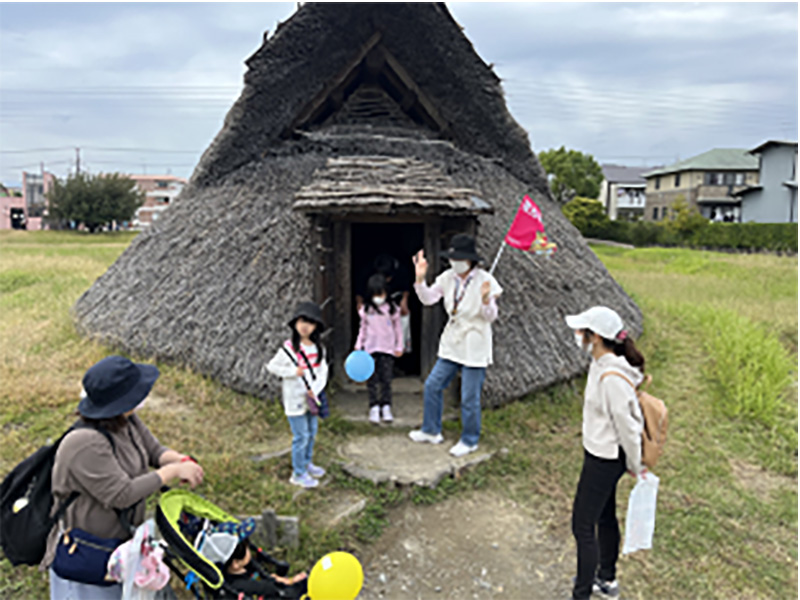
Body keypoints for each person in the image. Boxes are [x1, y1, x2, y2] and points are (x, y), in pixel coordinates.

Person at [43, 355, 205, 600]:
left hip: (121, 548)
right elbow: (121, 494)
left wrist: (179, 460)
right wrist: (170, 473)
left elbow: (154, 451)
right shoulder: (84, 443)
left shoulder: (125, 421)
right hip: (87, 552)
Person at [565, 306, 647, 600]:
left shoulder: (611, 376)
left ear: (596, 336)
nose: (576, 335)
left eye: (581, 330)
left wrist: (636, 465)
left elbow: (628, 425)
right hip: (602, 454)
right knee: (603, 516)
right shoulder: (600, 363)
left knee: (582, 525)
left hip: (605, 458)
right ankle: (606, 579)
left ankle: (582, 593)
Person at [408, 233, 502, 457]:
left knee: (469, 397)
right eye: (452, 258)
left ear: (470, 260)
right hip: (452, 340)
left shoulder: (485, 280)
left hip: (475, 342)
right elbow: (429, 299)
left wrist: (487, 299)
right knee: (433, 385)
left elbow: (491, 317)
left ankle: (470, 440)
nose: (454, 262)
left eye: (459, 258)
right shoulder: (447, 277)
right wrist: (420, 279)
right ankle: (431, 430)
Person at [266, 301, 329, 489]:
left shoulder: (319, 349)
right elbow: (272, 366)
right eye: (302, 320)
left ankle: (307, 462)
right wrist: (293, 372)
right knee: (300, 436)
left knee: (312, 432)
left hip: (311, 399)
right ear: (295, 323)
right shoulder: (288, 349)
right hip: (295, 401)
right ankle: (298, 472)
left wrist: (315, 390)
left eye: (310, 322)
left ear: (315, 326)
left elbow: (323, 372)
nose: (305, 326)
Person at [354, 274, 404, 424]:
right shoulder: (366, 310)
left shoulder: (392, 309)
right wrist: (358, 346)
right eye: (375, 294)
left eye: (381, 293)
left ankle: (386, 406)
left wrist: (399, 346)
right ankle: (374, 406)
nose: (378, 297)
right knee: (372, 380)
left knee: (387, 379)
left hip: (387, 349)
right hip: (370, 349)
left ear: (386, 292)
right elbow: (362, 329)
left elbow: (398, 329)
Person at [202, 532, 308, 599]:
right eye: (246, 549)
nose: (250, 550)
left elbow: (267, 577)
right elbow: (276, 590)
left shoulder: (245, 567)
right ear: (235, 564)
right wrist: (293, 585)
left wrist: (288, 581)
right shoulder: (240, 587)